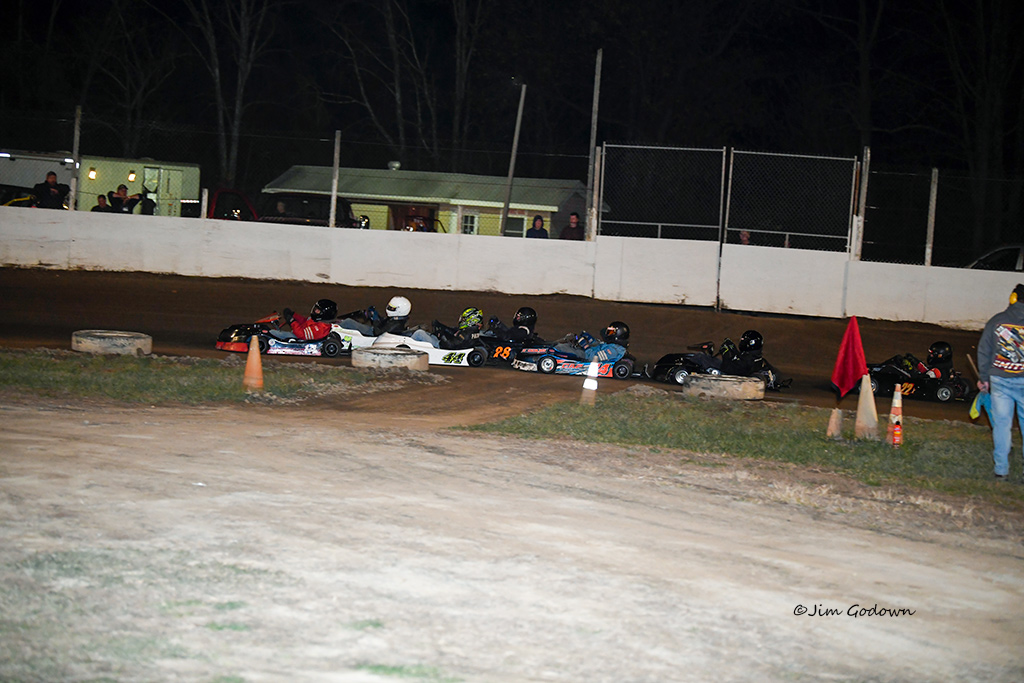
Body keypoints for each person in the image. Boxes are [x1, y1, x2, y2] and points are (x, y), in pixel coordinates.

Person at [977, 283, 1024, 481]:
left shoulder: (997, 321)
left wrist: (984, 378)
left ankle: (1001, 470)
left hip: (999, 380)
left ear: (1013, 298)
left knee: (1002, 425)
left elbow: (984, 350)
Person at [554, 321, 630, 362]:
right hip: (587, 352)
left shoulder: (613, 351)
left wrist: (585, 346)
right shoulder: (613, 345)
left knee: (561, 348)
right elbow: (599, 347)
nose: (608, 334)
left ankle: (550, 352)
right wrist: (590, 339)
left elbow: (594, 358)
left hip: (585, 356)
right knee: (566, 345)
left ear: (618, 335)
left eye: (610, 332)